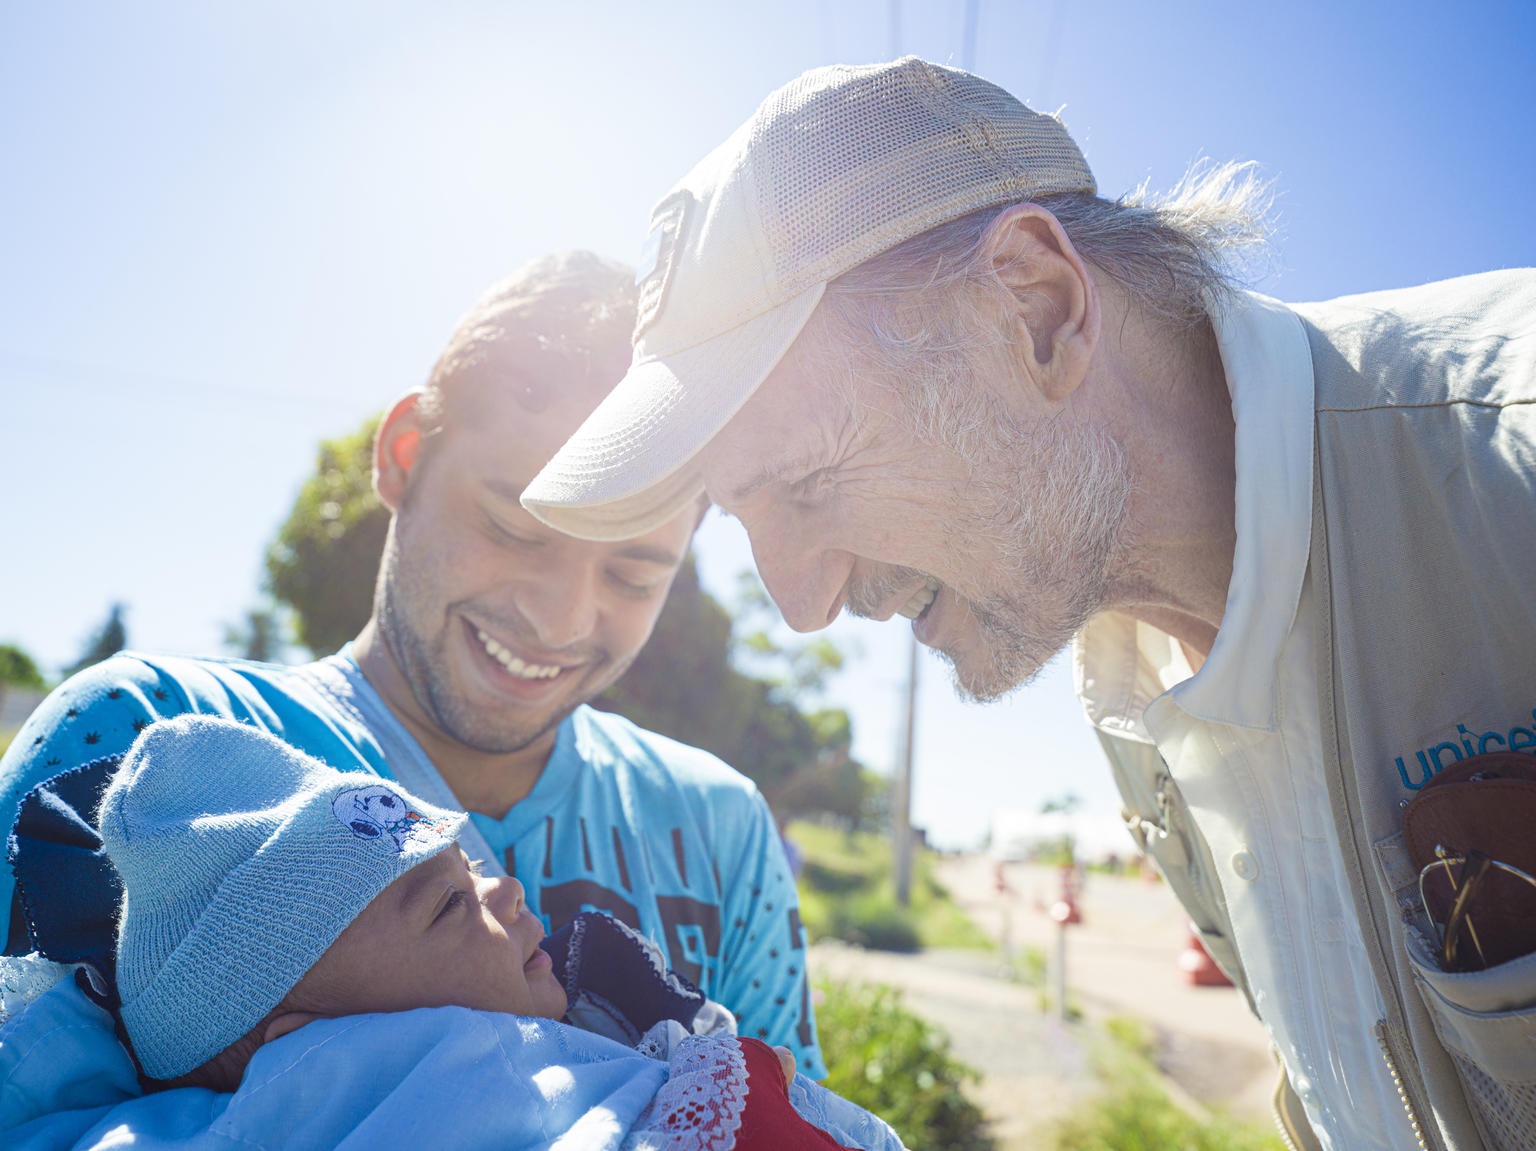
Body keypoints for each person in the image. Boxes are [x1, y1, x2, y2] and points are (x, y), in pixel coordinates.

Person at [521, 58, 1536, 1151]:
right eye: (741, 517)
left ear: (1034, 304)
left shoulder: (1509, 466)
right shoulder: (1125, 683)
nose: (802, 603)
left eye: (807, 481)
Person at [0, 252, 821, 1087]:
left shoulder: (720, 827)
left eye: (633, 575)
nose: (561, 619)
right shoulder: (136, 746)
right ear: (401, 455)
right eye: (514, 527)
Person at [46, 713, 898, 1151]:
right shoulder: (406, 1095)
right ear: (317, 1046)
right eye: (452, 903)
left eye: (469, 868)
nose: (510, 890)